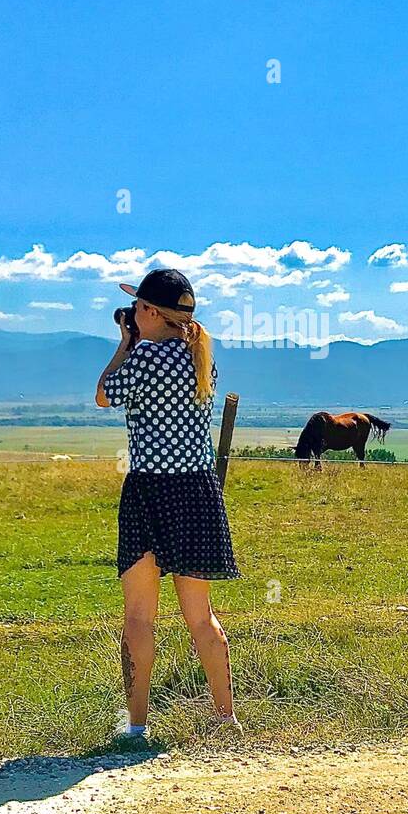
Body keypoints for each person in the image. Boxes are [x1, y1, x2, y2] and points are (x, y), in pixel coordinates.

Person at [95, 268, 240, 742]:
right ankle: (225, 718)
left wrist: (125, 344)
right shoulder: (202, 359)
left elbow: (102, 395)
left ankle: (136, 726)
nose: (133, 314)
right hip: (197, 492)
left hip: (148, 489)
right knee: (201, 615)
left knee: (139, 616)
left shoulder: (142, 359)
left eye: (139, 307)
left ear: (150, 313)